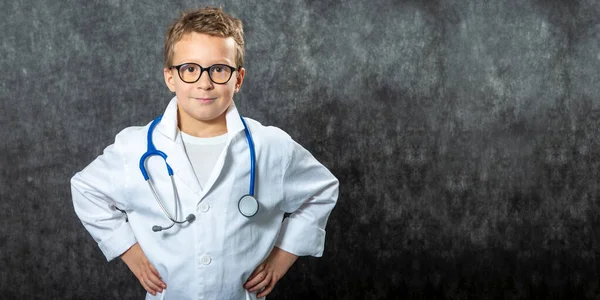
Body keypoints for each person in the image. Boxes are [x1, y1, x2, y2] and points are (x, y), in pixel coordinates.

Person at [70, 6, 339, 300]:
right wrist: (126, 249)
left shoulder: (271, 146)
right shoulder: (133, 148)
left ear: (238, 79)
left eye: (219, 69)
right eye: (189, 69)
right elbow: (85, 189)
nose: (204, 82)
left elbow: (322, 190)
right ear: (170, 77)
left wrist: (281, 257)